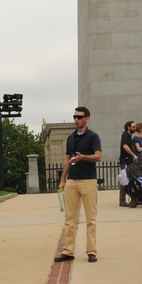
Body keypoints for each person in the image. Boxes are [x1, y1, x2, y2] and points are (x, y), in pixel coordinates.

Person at [55, 107, 102, 262]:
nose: (76, 120)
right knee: (70, 218)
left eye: (79, 117)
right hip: (72, 181)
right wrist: (63, 179)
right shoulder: (71, 138)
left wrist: (83, 157)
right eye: (75, 117)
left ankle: (91, 251)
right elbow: (67, 159)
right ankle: (68, 251)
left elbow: (98, 156)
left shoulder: (93, 136)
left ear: (87, 118)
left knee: (91, 219)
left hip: (88, 180)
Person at [118, 120, 139, 207]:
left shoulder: (130, 136)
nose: (135, 128)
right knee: (124, 180)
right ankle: (122, 200)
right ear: (128, 127)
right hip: (125, 161)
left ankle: (134, 198)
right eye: (133, 127)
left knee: (130, 180)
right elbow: (125, 146)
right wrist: (133, 155)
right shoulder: (125, 135)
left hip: (129, 161)